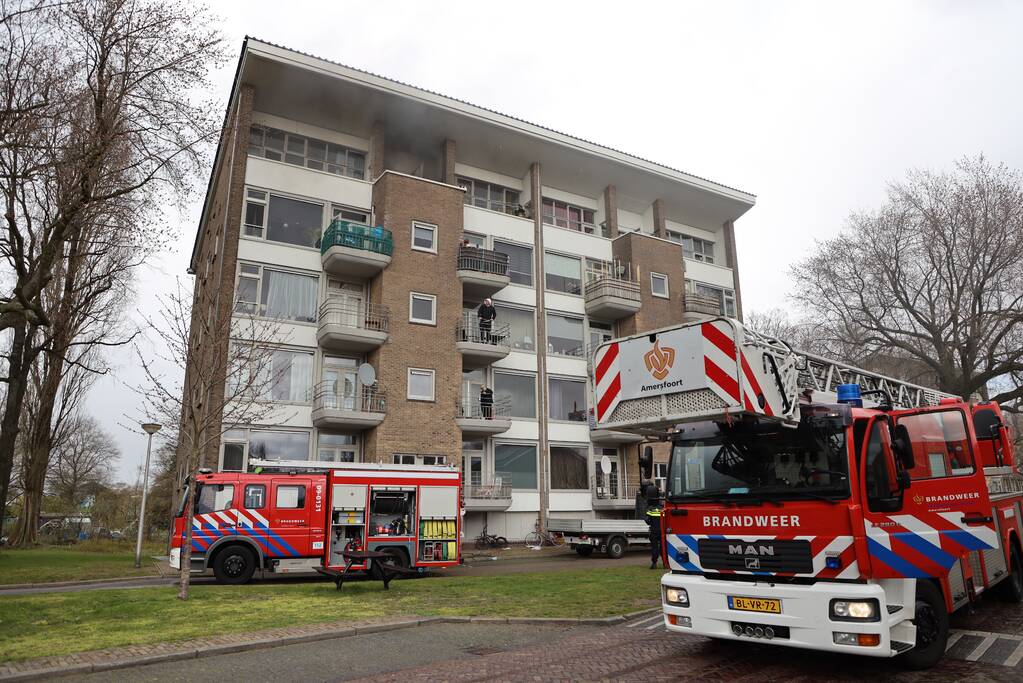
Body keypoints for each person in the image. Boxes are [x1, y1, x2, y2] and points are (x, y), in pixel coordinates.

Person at [645, 495, 663, 569]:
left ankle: (654, 563)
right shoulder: (662, 508)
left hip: (654, 531)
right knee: (663, 548)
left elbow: (647, 520)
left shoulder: (650, 509)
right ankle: (665, 563)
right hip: (662, 531)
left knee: (654, 548)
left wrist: (651, 523)